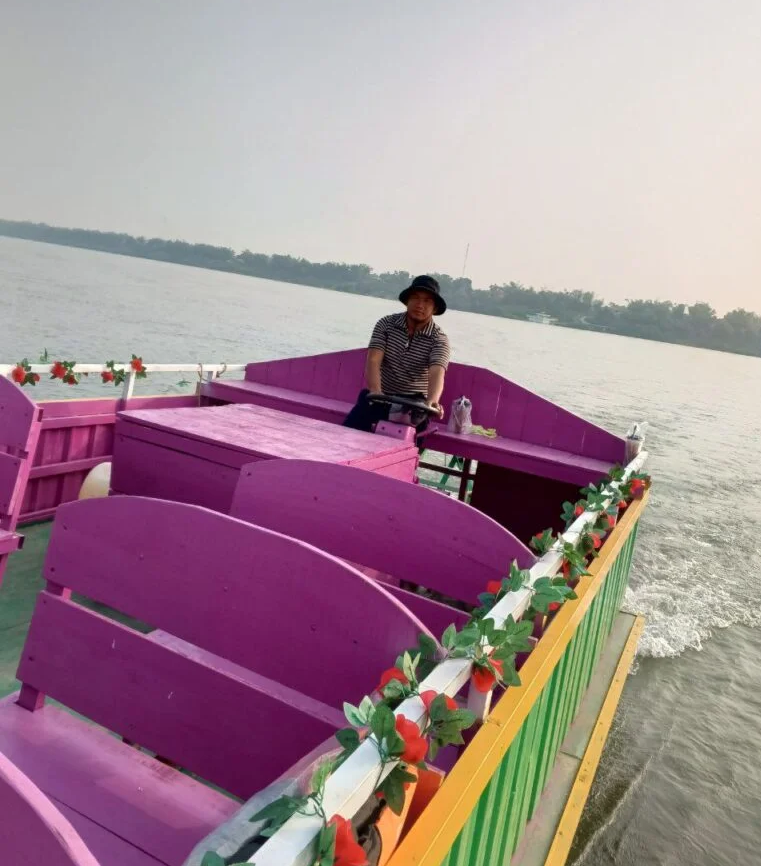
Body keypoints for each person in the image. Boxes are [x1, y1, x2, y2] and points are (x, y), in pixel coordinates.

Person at [343, 275, 450, 438]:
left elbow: (437, 372)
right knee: (347, 434)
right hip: (381, 395)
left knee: (412, 437)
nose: (420, 305)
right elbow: (373, 360)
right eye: (415, 298)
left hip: (414, 404)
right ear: (407, 300)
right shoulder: (386, 324)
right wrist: (376, 392)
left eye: (427, 301)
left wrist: (433, 401)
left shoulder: (439, 339)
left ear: (435, 308)